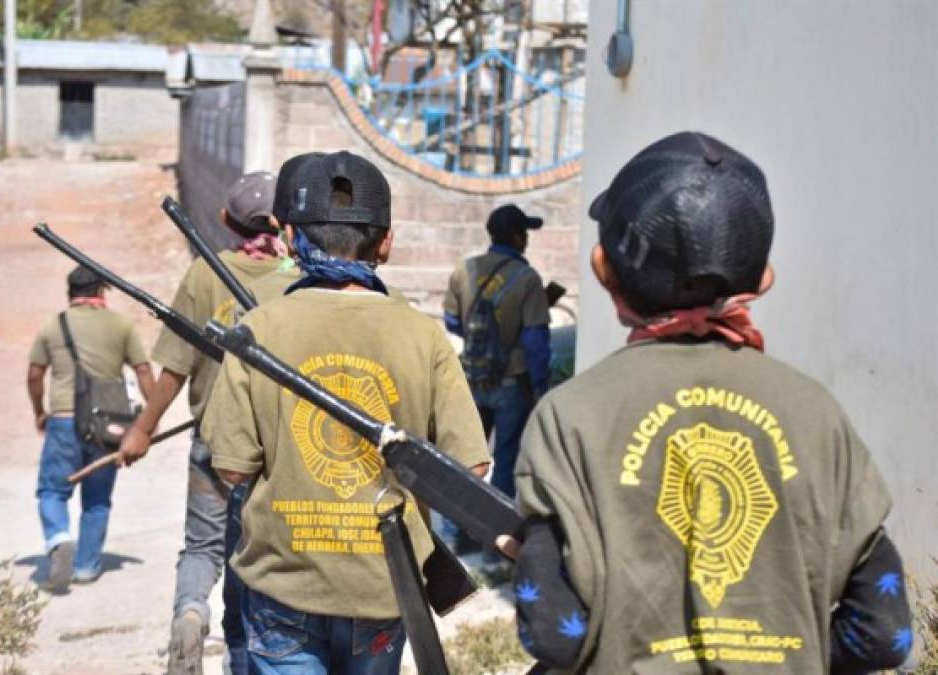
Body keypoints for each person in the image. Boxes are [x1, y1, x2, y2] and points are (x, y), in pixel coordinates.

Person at [502, 132, 912, 673]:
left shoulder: (569, 419)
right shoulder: (819, 416)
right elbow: (885, 636)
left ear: (604, 271)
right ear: (762, 279)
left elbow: (558, 637)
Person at [202, 150, 490, 675]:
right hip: (384, 587)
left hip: (283, 584)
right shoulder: (424, 336)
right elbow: (469, 471)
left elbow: (231, 467)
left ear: (290, 238)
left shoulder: (259, 330)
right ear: (387, 242)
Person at [118, 171, 290, 675]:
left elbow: (175, 365)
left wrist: (142, 430)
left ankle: (191, 612)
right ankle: (240, 656)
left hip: (212, 443)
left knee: (202, 547)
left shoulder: (202, 274)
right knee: (252, 555)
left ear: (224, 220)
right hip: (271, 452)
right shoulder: (298, 281)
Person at [27, 265, 154, 592]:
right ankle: (85, 566)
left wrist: (39, 412)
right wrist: (150, 420)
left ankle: (58, 538)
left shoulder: (54, 326)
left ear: (71, 293)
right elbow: (142, 371)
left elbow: (34, 374)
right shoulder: (121, 325)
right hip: (108, 424)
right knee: (97, 499)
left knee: (53, 490)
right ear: (100, 291)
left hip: (64, 420)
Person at [442, 204, 551, 556]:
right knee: (504, 462)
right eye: (526, 234)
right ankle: (495, 543)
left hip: (471, 379)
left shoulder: (464, 270)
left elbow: (452, 322)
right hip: (511, 382)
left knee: (465, 459)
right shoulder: (528, 278)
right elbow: (536, 343)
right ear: (518, 237)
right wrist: (539, 387)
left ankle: (455, 536)